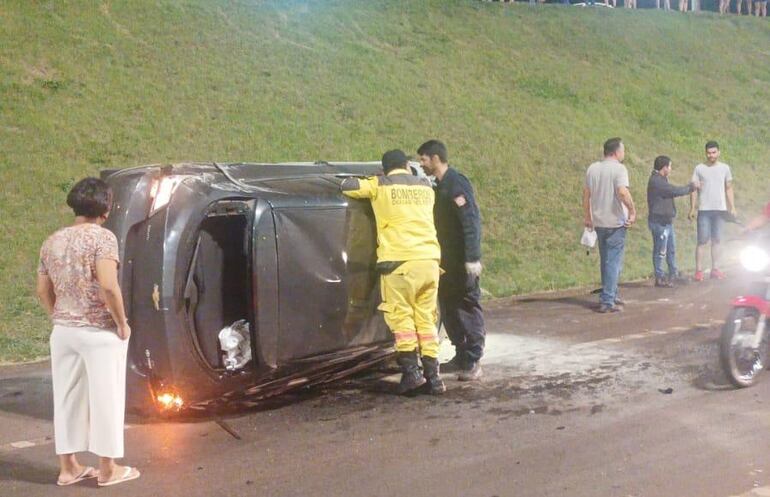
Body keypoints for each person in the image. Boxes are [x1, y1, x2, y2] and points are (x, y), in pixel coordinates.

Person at [36, 177, 140, 487]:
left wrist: (60, 316)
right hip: (98, 332)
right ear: (106, 209)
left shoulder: (51, 241)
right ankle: (108, 469)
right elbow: (108, 284)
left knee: (66, 398)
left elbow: (42, 291)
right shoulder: (103, 238)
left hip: (64, 331)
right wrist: (121, 323)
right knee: (106, 396)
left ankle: (68, 468)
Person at [340, 150, 445, 395]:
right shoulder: (425, 186)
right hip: (429, 262)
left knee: (402, 319)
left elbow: (348, 186)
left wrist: (373, 178)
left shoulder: (380, 185)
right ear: (407, 166)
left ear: (385, 168)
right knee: (426, 320)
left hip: (400, 263)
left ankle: (411, 374)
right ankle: (434, 378)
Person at [417, 140, 485, 382]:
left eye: (424, 159)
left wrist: (473, 259)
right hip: (445, 261)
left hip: (461, 262)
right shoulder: (439, 186)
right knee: (449, 308)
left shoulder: (456, 184)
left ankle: (473, 359)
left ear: (436, 159)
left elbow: (471, 222)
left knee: (466, 306)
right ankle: (461, 355)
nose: (421, 164)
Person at [583, 137, 637, 313]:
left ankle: (611, 293)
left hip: (599, 220)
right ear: (616, 152)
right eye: (623, 150)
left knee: (606, 260)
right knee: (613, 261)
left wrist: (587, 216)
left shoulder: (593, 168)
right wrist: (632, 210)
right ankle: (607, 299)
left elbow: (586, 194)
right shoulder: (619, 169)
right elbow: (622, 192)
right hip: (615, 221)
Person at [688, 141, 736, 282]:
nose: (711, 155)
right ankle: (699, 271)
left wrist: (732, 206)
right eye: (709, 152)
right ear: (705, 153)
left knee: (717, 240)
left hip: (720, 210)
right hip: (704, 210)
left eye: (714, 152)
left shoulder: (725, 168)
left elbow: (728, 188)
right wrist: (692, 207)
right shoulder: (699, 168)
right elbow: (694, 189)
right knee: (702, 241)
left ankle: (715, 269)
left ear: (718, 152)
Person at [646, 156, 697, 287]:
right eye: (669, 166)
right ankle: (660, 276)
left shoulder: (661, 180)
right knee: (660, 250)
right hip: (659, 222)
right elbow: (674, 191)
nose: (670, 169)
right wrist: (690, 188)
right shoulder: (657, 182)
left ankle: (673, 273)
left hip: (666, 221)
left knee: (670, 249)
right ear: (664, 168)